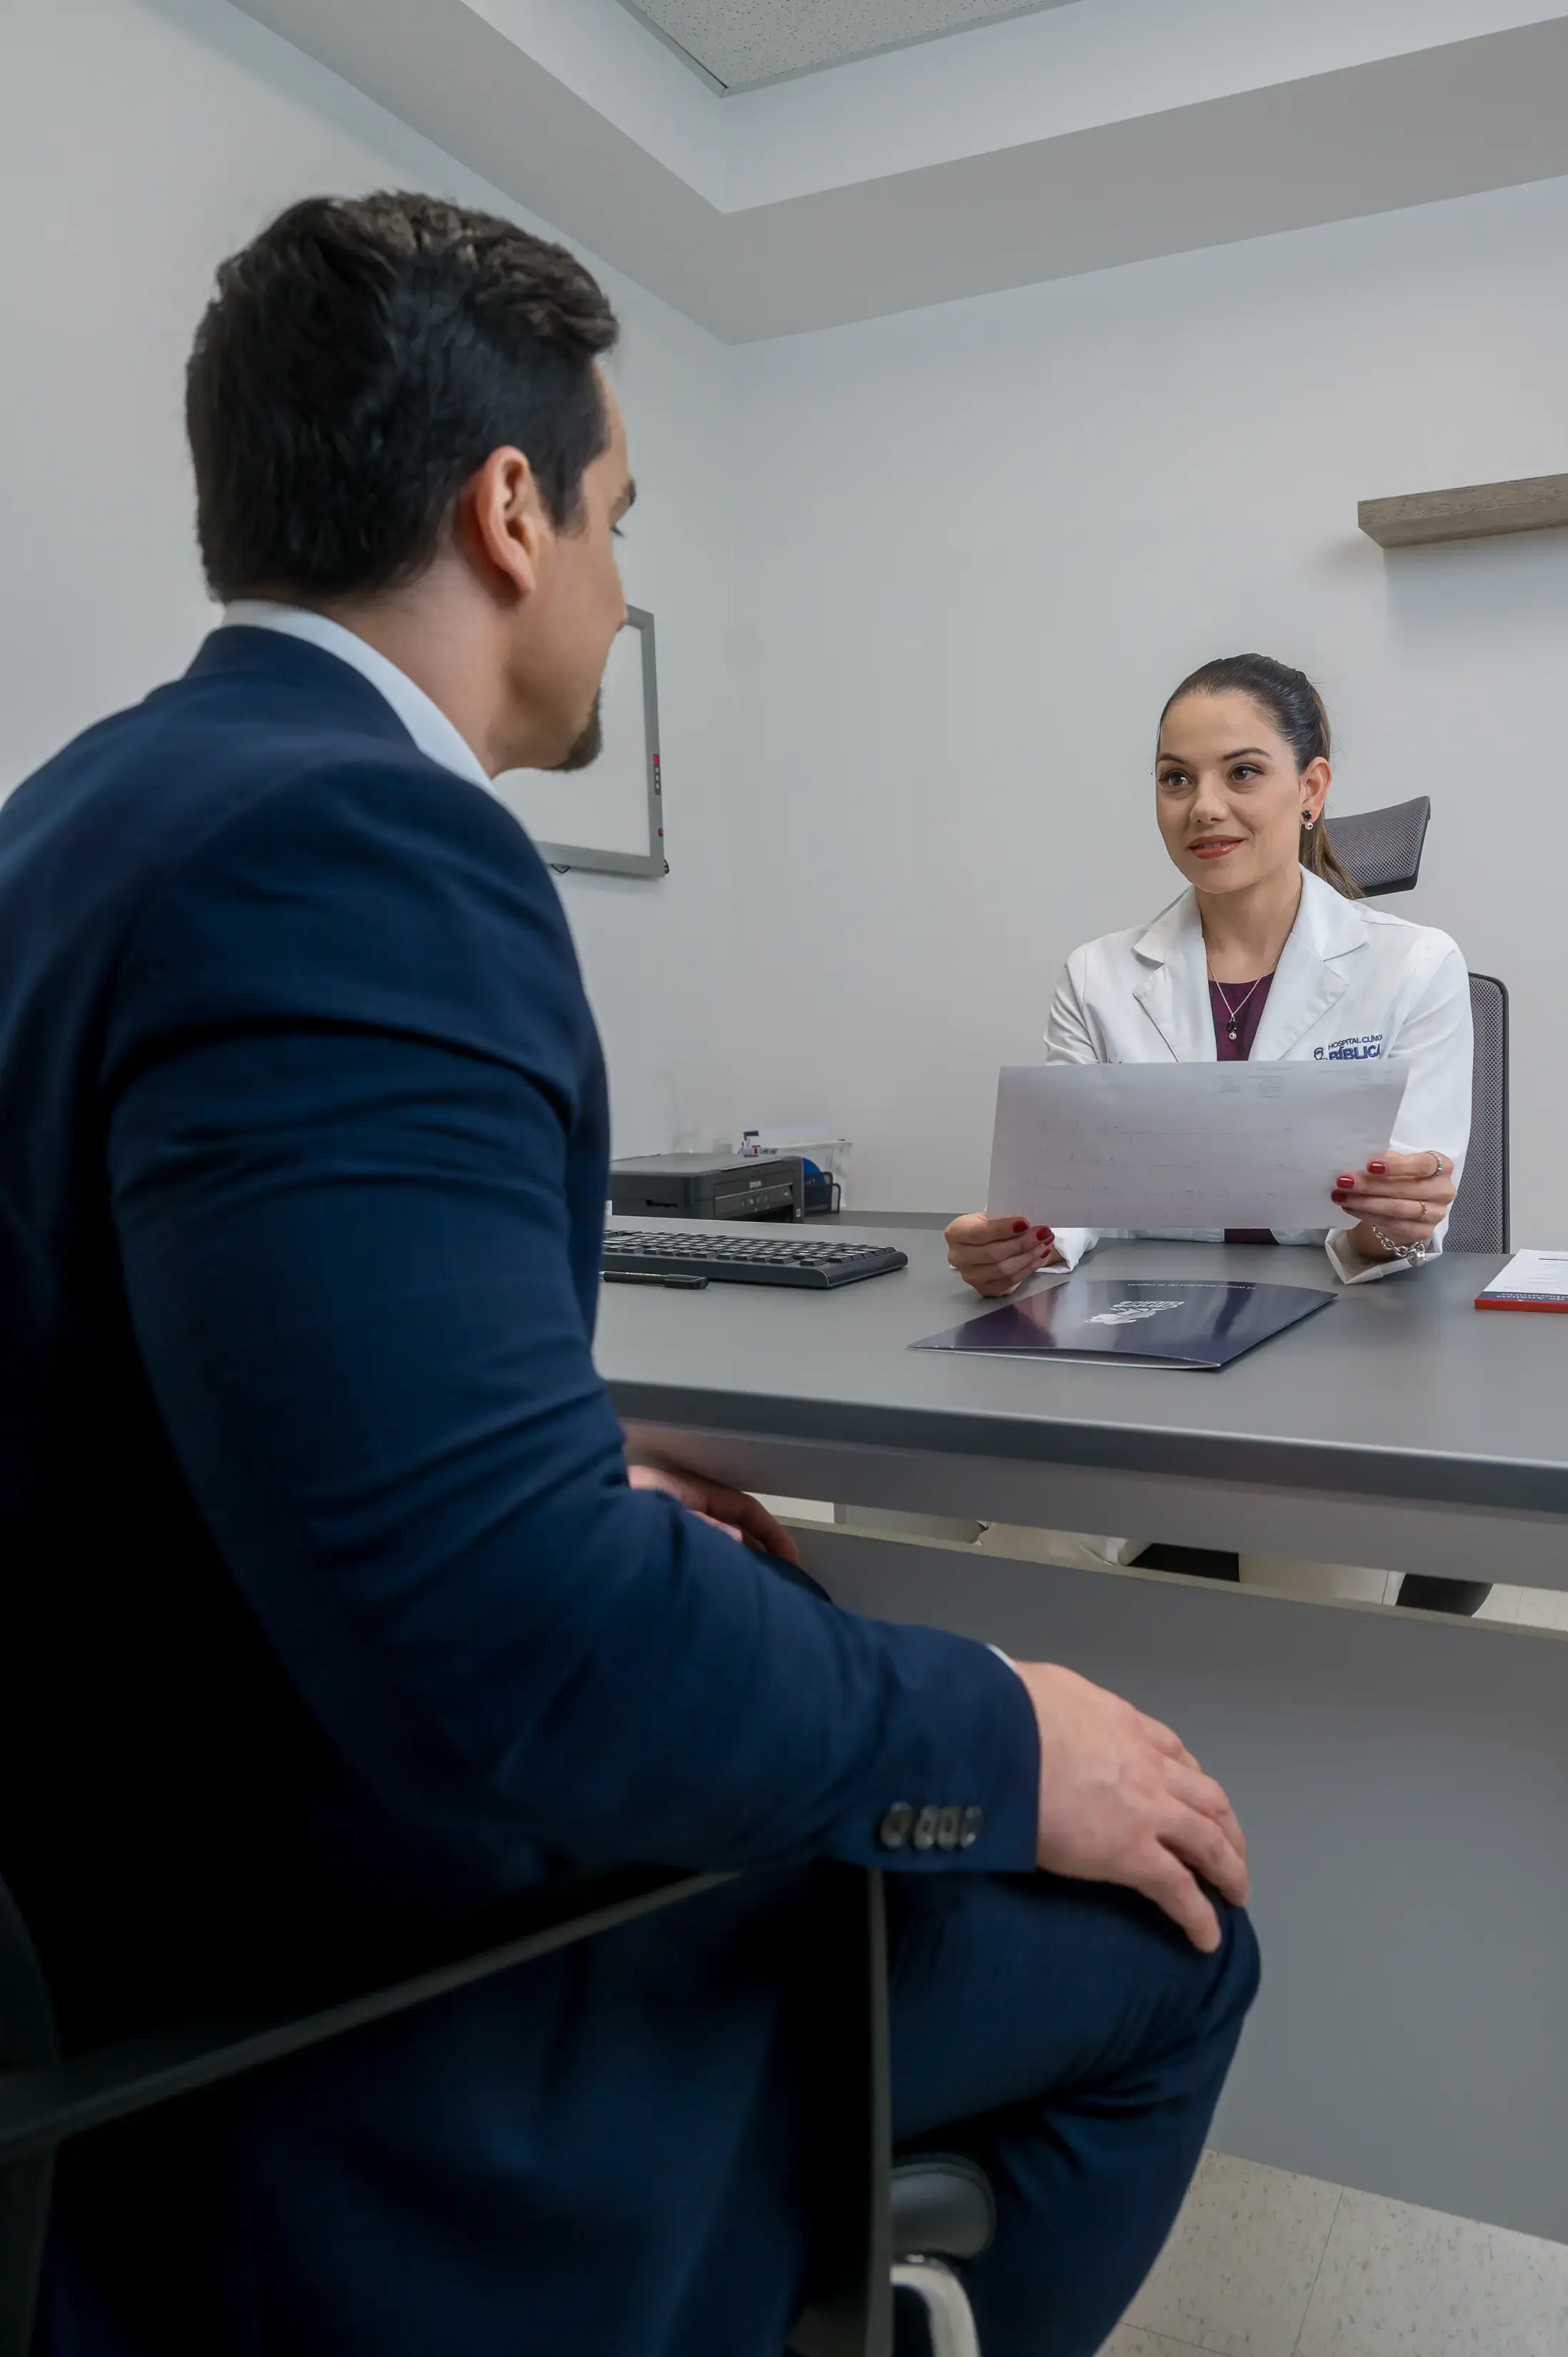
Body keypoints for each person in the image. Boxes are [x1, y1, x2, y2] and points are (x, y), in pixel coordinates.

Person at [0, 194, 1255, 2357]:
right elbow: (519, 1661)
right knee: (1184, 1938)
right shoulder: (360, 850)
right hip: (359, 2016)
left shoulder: (79, 816)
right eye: (614, 512)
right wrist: (995, 1726)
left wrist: (551, 1475)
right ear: (510, 511)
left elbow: (194, 1382)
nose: (615, 573)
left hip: (117, 1903)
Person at [945, 653, 1477, 1612]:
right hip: (1145, 1348)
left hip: (1339, 1349)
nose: (1204, 808)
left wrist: (1389, 1220)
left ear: (1310, 789)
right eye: (1175, 778)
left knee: (1317, 1632)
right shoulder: (1099, 976)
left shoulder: (1413, 967)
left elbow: (1413, 1224)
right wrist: (1019, 1243)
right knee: (1018, 1585)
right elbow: (1073, 1198)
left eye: (1243, 772)